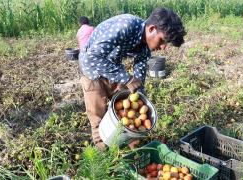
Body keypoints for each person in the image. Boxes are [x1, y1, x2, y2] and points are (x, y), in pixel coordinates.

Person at [79, 7, 186, 150]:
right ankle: (105, 158)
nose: (163, 47)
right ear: (151, 29)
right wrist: (127, 79)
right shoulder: (126, 26)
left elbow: (138, 77)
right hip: (91, 71)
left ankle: (131, 148)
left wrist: (141, 99)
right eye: (162, 41)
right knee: (99, 120)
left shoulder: (145, 46)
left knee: (127, 107)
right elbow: (92, 58)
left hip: (113, 69)